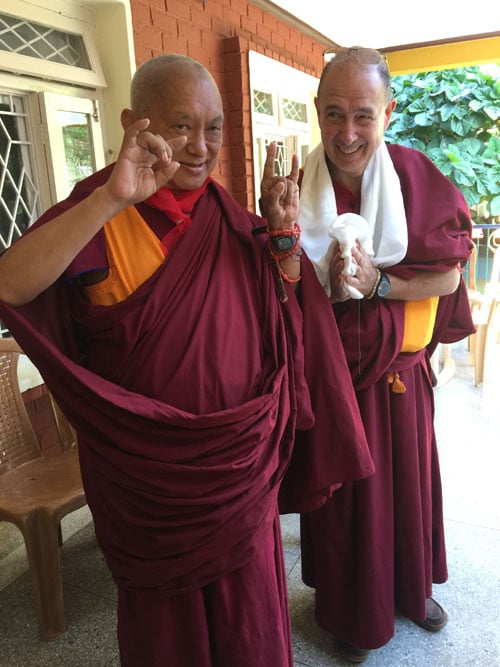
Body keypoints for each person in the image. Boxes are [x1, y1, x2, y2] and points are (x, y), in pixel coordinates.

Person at [0, 54, 373, 666]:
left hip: (237, 466)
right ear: (133, 123)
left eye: (215, 128)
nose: (201, 148)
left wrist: (282, 243)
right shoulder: (101, 211)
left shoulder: (228, 218)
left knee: (249, 621)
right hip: (148, 478)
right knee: (166, 633)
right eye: (181, 126)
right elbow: (12, 286)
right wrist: (112, 198)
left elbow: (281, 318)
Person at [294, 47, 475, 663]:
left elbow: (449, 277)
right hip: (330, 376)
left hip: (397, 373)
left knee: (407, 487)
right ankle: (350, 608)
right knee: (346, 497)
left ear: (389, 113)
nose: (348, 134)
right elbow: (279, 284)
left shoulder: (415, 176)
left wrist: (378, 285)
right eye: (335, 114)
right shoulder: (295, 188)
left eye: (363, 116)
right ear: (317, 112)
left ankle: (411, 588)